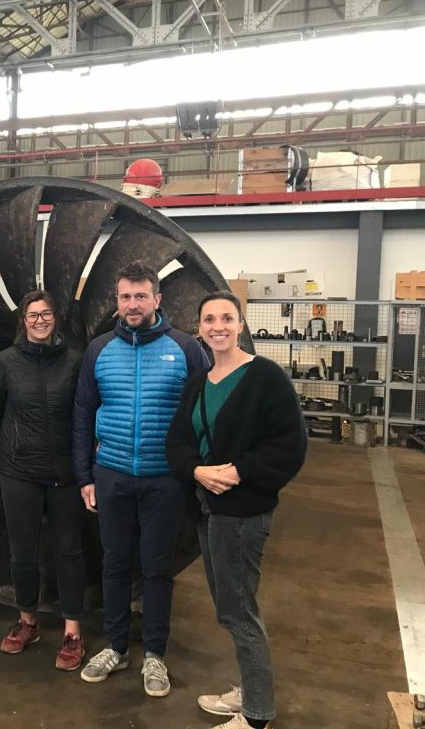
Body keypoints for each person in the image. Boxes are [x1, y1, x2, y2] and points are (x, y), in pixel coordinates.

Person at [165, 291, 306, 729]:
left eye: (227, 318)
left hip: (243, 512)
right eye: (209, 319)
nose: (218, 326)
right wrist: (196, 471)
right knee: (231, 607)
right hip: (207, 509)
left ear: (240, 325)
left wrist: (239, 471)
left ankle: (257, 714)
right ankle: (251, 690)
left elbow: (290, 445)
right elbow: (177, 442)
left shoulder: (265, 377)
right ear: (199, 329)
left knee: (239, 611)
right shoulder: (198, 383)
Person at [73, 261, 208, 697]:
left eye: (140, 296)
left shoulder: (185, 348)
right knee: (114, 564)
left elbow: (203, 414)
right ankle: (115, 647)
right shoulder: (98, 350)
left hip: (163, 480)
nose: (132, 304)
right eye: (125, 297)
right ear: (117, 301)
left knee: (156, 568)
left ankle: (154, 654)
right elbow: (83, 414)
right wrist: (85, 476)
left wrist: (194, 471)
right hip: (111, 475)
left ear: (157, 299)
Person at [0, 290, 88, 672]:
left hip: (65, 475)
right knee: (22, 552)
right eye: (33, 315)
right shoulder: (4, 363)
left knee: (68, 551)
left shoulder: (75, 361)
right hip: (20, 473)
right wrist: (8, 459)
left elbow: (85, 414)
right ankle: (27, 621)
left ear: (54, 318)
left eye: (46, 314)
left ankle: (72, 631)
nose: (40, 321)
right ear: (23, 321)